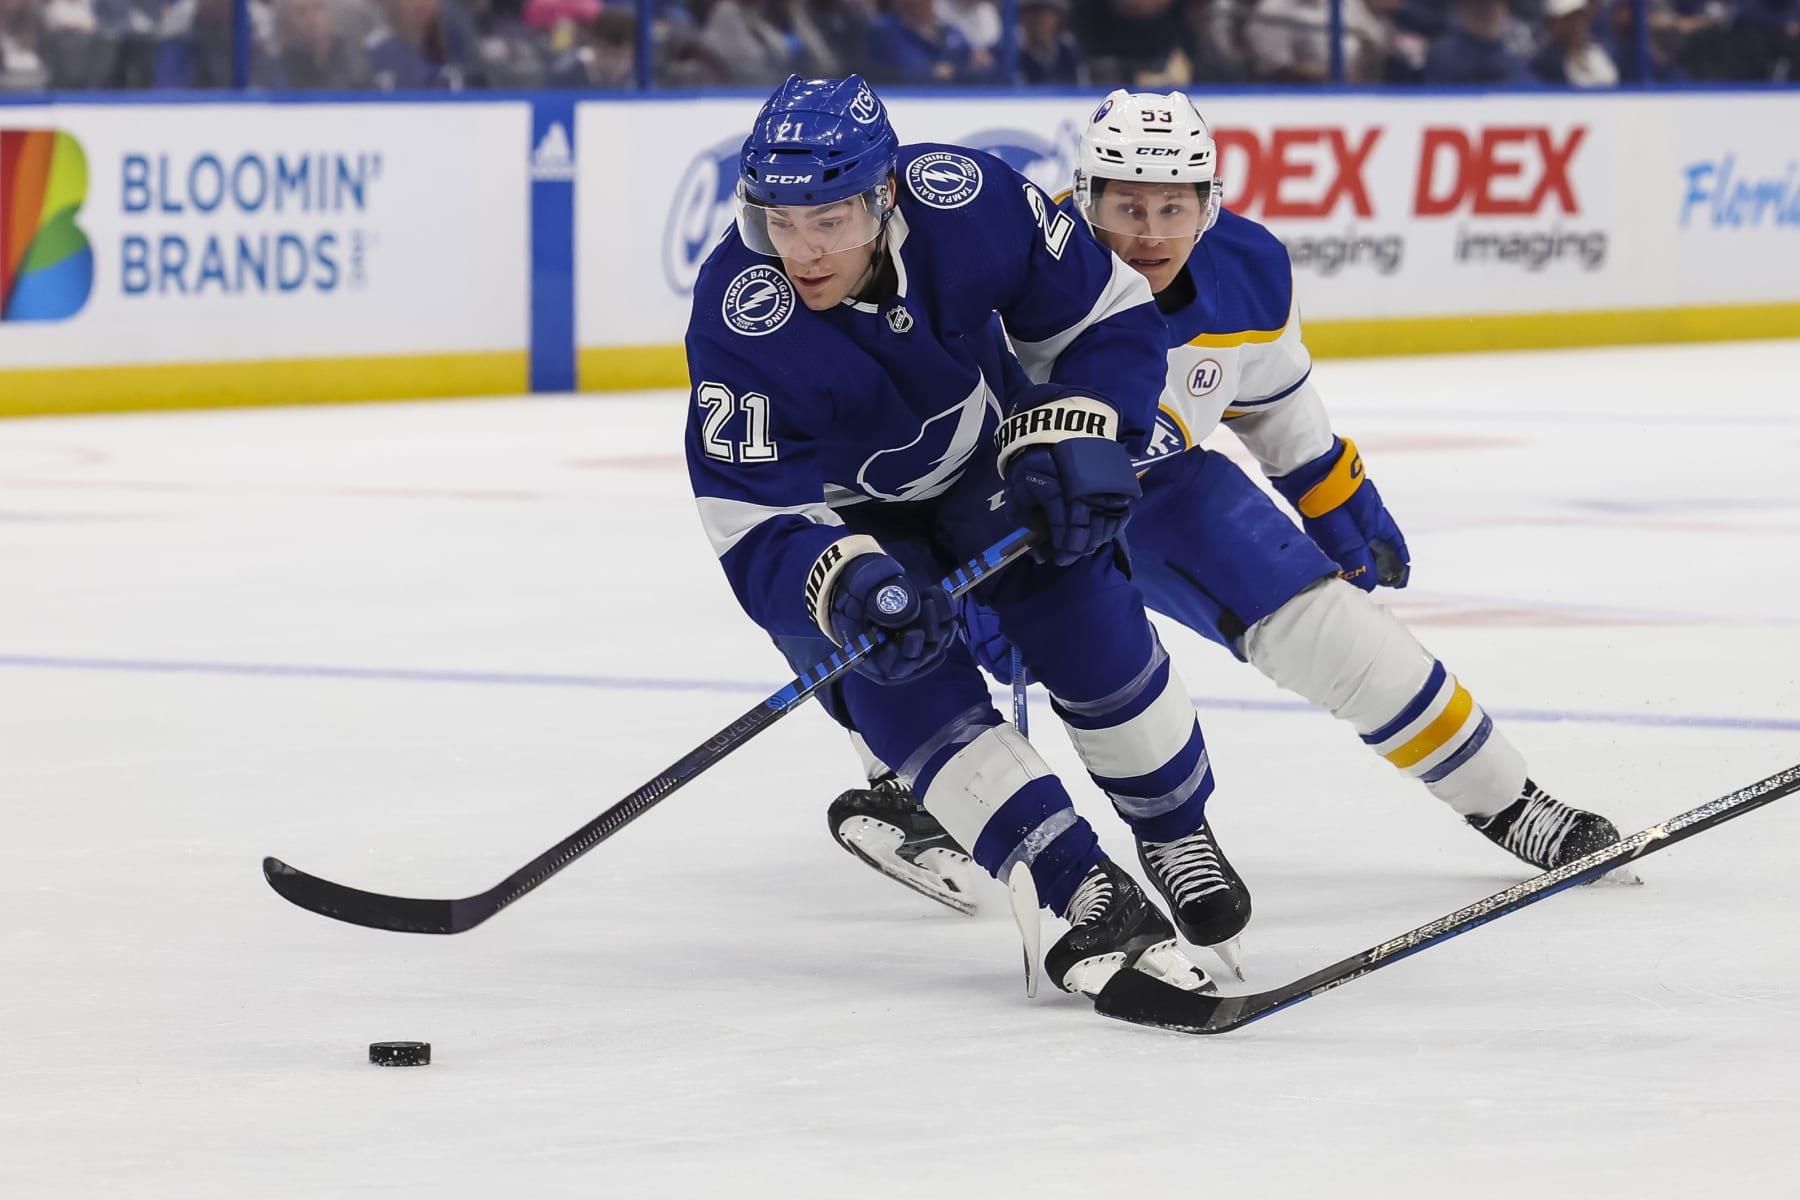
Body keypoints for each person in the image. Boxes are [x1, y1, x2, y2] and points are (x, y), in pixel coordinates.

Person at [825, 90, 1625, 954]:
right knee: (915, 639)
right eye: (1127, 205)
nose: (1150, 233)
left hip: (1162, 490)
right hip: (1002, 505)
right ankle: (903, 779)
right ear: (1082, 196)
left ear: (1211, 203)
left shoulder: (1247, 266)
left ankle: (1508, 798)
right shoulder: (1010, 259)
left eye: (1174, 206)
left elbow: (1277, 408)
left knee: (1328, 624)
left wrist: (1338, 503)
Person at [685, 74, 1252, 1000]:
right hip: (853, 521)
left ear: (886, 194)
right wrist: (840, 581)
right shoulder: (739, 310)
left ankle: (1176, 829)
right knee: (895, 677)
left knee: (1085, 608)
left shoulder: (971, 200)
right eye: (778, 223)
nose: (801, 251)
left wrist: (1089, 425)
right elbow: (747, 510)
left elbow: (1103, 312)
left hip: (987, 461)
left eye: (827, 220)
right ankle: (1083, 891)